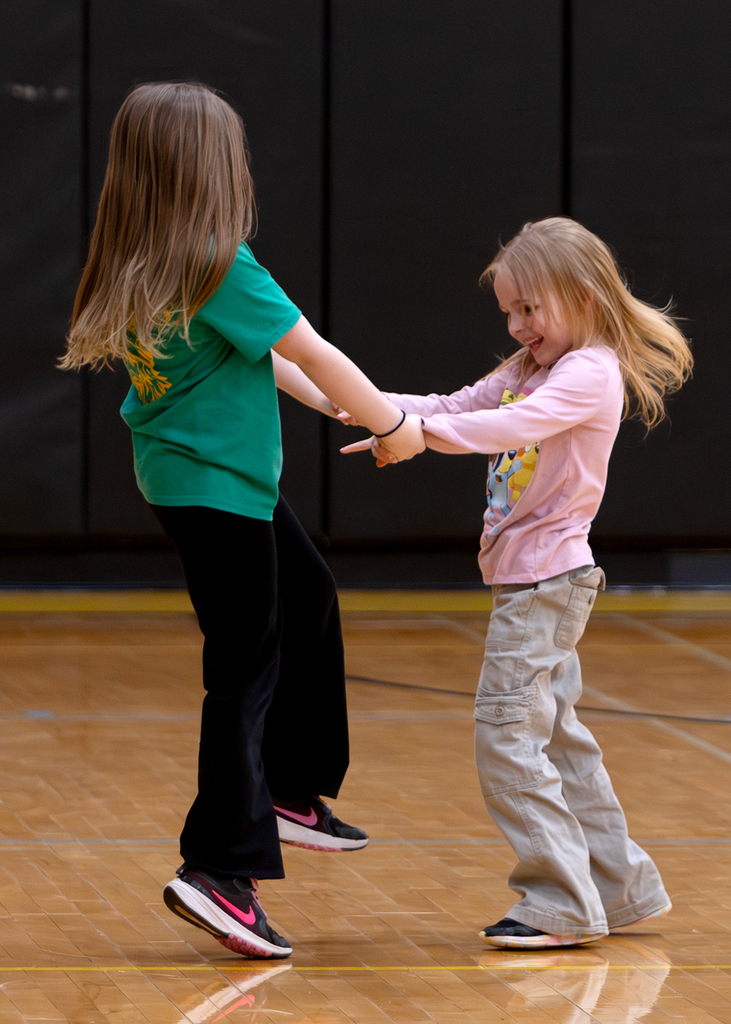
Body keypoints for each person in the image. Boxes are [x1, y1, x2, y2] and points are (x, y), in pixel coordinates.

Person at [61, 81, 424, 959]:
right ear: (211, 170)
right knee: (244, 670)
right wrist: (392, 425)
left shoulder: (141, 252)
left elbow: (268, 359)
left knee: (308, 596)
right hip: (215, 487)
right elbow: (314, 348)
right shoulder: (216, 262)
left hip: (198, 480)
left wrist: (332, 405)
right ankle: (219, 868)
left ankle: (290, 792)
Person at [341, 217, 693, 949]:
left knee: (505, 736)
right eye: (508, 310)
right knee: (559, 742)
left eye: (529, 309)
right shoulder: (529, 368)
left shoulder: (587, 373)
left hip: (546, 585)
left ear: (584, 297)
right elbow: (460, 405)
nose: (515, 324)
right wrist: (381, 410)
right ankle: (618, 887)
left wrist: (415, 438)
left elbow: (509, 428)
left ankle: (559, 902)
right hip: (532, 584)